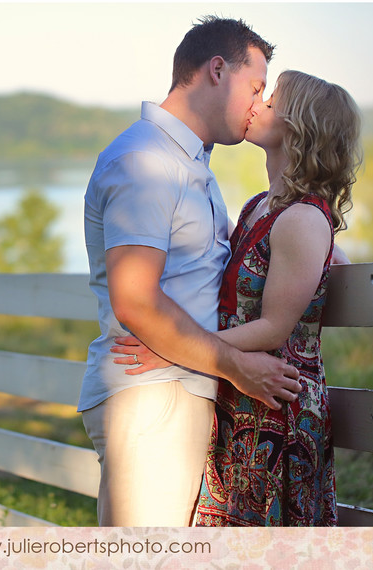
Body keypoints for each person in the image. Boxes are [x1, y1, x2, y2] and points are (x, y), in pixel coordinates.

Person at [78, 16, 303, 527]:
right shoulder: (146, 162)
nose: (257, 103)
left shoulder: (188, 165)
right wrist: (232, 364)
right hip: (152, 396)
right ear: (217, 70)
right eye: (256, 86)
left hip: (172, 386)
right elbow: (135, 299)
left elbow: (233, 255)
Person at [113, 70, 363, 526]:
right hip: (241, 397)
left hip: (277, 406)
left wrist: (171, 348)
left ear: (296, 124)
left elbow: (273, 328)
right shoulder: (259, 206)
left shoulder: (304, 218)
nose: (256, 104)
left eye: (269, 101)